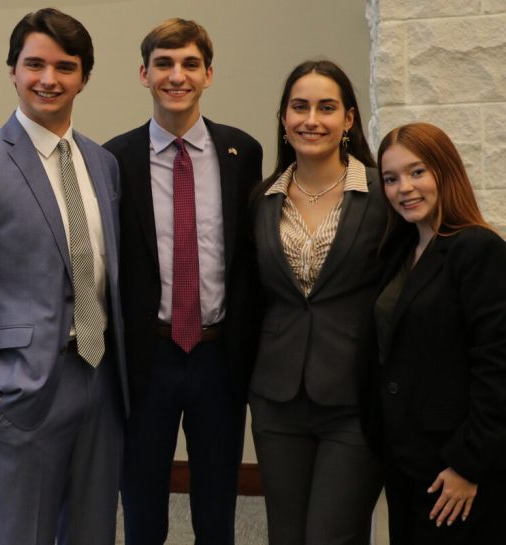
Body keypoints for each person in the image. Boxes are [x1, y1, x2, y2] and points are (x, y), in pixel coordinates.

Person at [0, 8, 128, 545]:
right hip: (25, 391)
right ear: (13, 71)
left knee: (94, 533)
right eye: (34, 64)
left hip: (101, 380)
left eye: (65, 67)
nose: (48, 79)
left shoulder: (102, 163)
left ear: (84, 77)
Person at [103, 18, 261, 545]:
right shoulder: (113, 159)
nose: (177, 76)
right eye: (164, 64)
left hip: (219, 356)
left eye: (191, 64)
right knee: (141, 501)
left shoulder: (242, 152)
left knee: (217, 505)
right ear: (143, 74)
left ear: (208, 74)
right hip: (148, 356)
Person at [249, 60, 384, 545]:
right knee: (286, 535)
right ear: (284, 118)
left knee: (333, 535)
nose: (311, 120)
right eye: (299, 107)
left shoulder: (382, 194)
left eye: (326, 108)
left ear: (348, 119)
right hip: (277, 397)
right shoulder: (262, 199)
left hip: (355, 397)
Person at [365, 122, 506, 544]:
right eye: (391, 178)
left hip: (455, 466)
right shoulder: (400, 252)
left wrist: (468, 465)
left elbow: (497, 367)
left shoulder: (478, 248)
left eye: (417, 172)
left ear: (445, 172)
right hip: (406, 458)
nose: (404, 188)